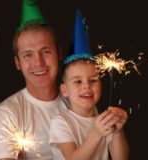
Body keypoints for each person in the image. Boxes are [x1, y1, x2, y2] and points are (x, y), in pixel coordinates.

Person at [0, 0, 68, 159]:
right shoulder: (6, 114)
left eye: (45, 51)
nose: (38, 62)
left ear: (59, 53)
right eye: (28, 55)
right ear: (17, 62)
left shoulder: (79, 101)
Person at [49, 10, 129, 160]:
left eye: (93, 80)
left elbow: (121, 158)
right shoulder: (61, 122)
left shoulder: (104, 119)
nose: (87, 86)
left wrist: (118, 131)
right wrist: (97, 133)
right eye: (78, 81)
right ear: (64, 90)